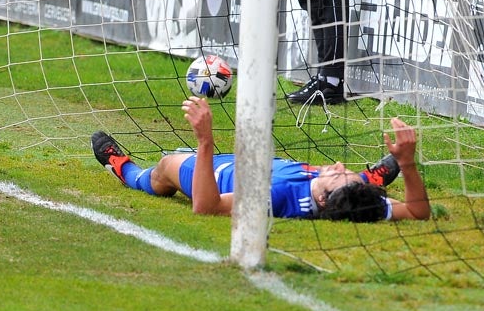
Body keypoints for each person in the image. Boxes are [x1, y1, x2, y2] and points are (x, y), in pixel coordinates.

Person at [92, 96, 431, 222]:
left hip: (223, 172)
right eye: (347, 175)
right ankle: (370, 180)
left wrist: (205, 141)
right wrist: (407, 163)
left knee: (165, 168)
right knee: (350, 182)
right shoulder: (350, 204)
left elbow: (205, 207)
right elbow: (418, 210)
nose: (339, 167)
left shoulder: (276, 197)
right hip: (268, 164)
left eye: (339, 177)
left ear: (325, 199)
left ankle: (123, 169)